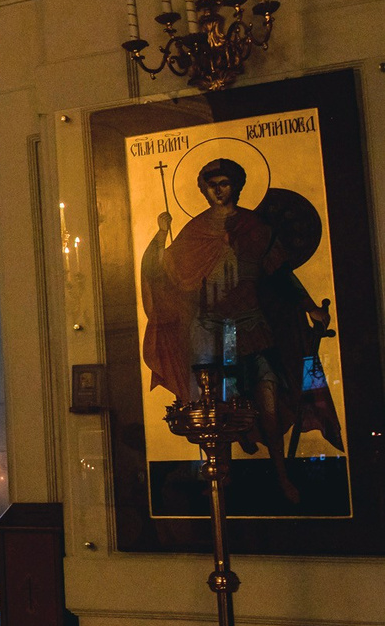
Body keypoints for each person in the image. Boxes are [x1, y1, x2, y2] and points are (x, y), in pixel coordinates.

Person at [141, 157, 339, 504]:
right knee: (213, 404)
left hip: (249, 324)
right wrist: (160, 233)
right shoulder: (195, 231)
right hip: (209, 327)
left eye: (224, 183)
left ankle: (282, 476)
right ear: (203, 190)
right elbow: (163, 271)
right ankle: (222, 475)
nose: (218, 191)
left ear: (236, 186)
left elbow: (281, 273)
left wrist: (310, 307)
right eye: (212, 185)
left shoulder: (255, 227)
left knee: (268, 400)